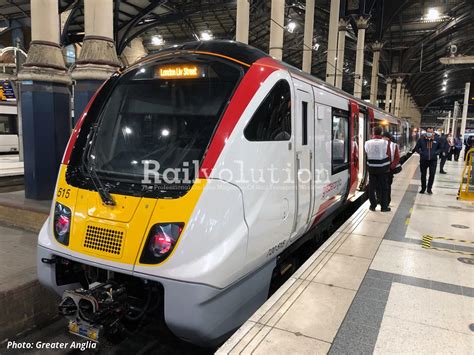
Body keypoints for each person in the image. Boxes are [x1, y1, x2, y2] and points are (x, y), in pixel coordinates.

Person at [365, 126, 391, 212]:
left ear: (373, 133)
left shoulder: (367, 142)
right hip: (382, 168)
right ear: (381, 133)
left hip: (371, 167)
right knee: (384, 187)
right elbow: (388, 153)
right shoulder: (385, 142)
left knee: (371, 188)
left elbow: (367, 152)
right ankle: (384, 207)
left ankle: (372, 206)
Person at [412, 127, 441, 194]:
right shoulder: (421, 140)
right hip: (423, 160)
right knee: (423, 175)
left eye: (431, 132)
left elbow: (440, 148)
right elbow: (416, 148)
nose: (429, 133)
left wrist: (436, 153)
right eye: (428, 132)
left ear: (433, 132)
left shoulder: (437, 140)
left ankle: (429, 189)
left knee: (432, 174)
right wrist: (421, 153)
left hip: (433, 160)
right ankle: (423, 188)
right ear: (426, 132)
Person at [383, 131, 400, 206]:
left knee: (387, 186)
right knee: (383, 186)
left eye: (384, 137)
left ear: (388, 138)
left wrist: (391, 167)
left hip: (389, 169)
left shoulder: (393, 145)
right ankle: (382, 200)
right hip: (382, 168)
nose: (383, 139)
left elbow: (396, 157)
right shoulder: (380, 144)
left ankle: (386, 201)